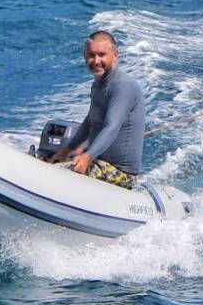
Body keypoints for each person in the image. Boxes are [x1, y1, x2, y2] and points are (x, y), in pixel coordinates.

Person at [49, 31, 145, 189]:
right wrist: (65, 151)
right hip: (98, 160)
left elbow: (111, 127)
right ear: (84, 56)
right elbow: (89, 122)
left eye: (102, 55)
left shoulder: (122, 86)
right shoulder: (98, 85)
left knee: (56, 176)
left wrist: (87, 157)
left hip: (119, 172)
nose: (96, 61)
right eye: (91, 55)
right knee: (49, 160)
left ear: (115, 55)